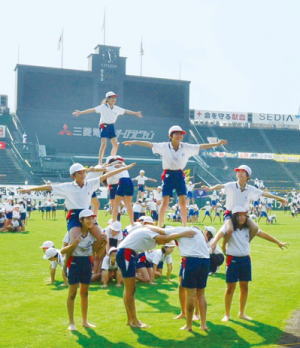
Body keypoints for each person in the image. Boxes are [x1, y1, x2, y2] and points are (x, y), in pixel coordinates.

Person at [123, 125, 227, 226]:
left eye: (181, 134)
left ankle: (184, 225)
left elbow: (201, 146)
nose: (179, 136)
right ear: (170, 136)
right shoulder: (163, 146)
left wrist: (217, 144)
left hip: (180, 175)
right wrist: (133, 142)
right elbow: (149, 144)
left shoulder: (186, 147)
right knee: (165, 201)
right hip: (168, 174)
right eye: (176, 134)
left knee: (182, 201)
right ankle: (160, 224)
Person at [19, 162, 135, 246]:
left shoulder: (90, 183)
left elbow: (107, 175)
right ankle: (67, 265)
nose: (83, 175)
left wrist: (126, 168)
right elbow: (48, 186)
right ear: (73, 176)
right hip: (74, 215)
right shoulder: (67, 187)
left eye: (83, 172)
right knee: (75, 241)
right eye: (79, 173)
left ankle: (94, 264)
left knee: (103, 239)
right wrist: (29, 189)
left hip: (88, 215)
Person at [211, 206, 288, 322]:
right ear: (235, 216)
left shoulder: (248, 228)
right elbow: (219, 234)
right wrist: (214, 242)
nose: (242, 218)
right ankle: (227, 314)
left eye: (244, 215)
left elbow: (263, 234)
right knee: (230, 288)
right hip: (232, 260)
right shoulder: (229, 226)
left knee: (244, 287)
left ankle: (242, 313)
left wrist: (278, 242)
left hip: (245, 260)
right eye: (239, 215)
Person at [116, 224, 196, 328]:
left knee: (130, 290)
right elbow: (164, 237)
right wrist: (183, 234)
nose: (163, 244)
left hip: (128, 254)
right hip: (126, 254)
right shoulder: (149, 232)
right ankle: (134, 321)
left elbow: (164, 238)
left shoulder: (148, 232)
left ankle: (131, 320)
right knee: (130, 290)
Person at [202, 165, 287, 253]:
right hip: (230, 214)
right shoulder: (231, 185)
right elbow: (220, 186)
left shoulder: (251, 189)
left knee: (255, 228)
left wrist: (280, 199)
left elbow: (265, 194)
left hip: (243, 215)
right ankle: (224, 246)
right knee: (229, 229)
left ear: (248, 176)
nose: (239, 173)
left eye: (242, 172)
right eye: (238, 171)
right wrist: (210, 188)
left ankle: (246, 242)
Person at [72, 91, 143, 163]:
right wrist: (81, 112)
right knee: (104, 144)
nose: (114, 99)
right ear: (107, 99)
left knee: (116, 144)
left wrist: (135, 113)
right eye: (112, 98)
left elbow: (126, 111)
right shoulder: (103, 107)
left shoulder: (116, 108)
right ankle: (100, 161)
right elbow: (92, 110)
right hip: (104, 125)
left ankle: (112, 160)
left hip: (111, 126)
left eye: (115, 98)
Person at [60, 209, 100, 331]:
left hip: (86, 263)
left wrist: (101, 241)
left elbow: (95, 251)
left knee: (85, 293)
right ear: (81, 220)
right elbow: (62, 251)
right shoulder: (71, 233)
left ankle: (85, 321)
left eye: (92, 218)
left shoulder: (92, 234)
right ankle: (71, 322)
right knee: (72, 293)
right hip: (74, 263)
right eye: (87, 218)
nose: (91, 220)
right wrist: (73, 244)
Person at [165, 226, 210, 331]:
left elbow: (165, 237)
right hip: (205, 260)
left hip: (191, 261)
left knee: (191, 294)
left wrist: (179, 235)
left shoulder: (178, 230)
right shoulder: (196, 231)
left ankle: (188, 326)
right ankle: (203, 325)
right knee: (201, 294)